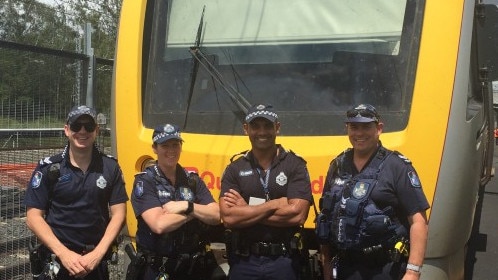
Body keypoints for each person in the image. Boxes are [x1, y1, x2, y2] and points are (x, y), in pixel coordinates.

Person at [316, 104, 430, 280]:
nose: (359, 133)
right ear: (347, 129)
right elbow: (326, 217)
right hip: (345, 267)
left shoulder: (397, 166)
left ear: (379, 129)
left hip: (384, 268)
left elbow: (419, 221)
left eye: (366, 126)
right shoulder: (338, 165)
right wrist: (327, 265)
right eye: (354, 127)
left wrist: (413, 272)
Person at [24, 105, 128, 280]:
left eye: (88, 126)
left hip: (95, 262)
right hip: (57, 261)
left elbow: (119, 214)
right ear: (66, 130)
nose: (82, 131)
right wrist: (65, 255)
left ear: (96, 130)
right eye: (76, 126)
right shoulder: (49, 168)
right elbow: (33, 217)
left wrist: (97, 254)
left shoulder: (110, 167)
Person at [219, 104, 313, 280]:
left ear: (277, 127)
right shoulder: (234, 169)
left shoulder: (295, 165)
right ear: (246, 129)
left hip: (284, 261)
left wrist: (246, 209)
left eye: (268, 126)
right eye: (255, 126)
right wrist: (275, 204)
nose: (262, 132)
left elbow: (297, 215)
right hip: (244, 262)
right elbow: (229, 218)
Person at [129, 123, 221, 280]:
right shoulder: (145, 182)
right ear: (154, 148)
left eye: (175, 145)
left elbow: (217, 215)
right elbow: (159, 225)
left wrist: (186, 206)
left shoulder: (192, 180)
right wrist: (196, 213)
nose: (171, 150)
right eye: (165, 145)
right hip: (157, 268)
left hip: (192, 268)